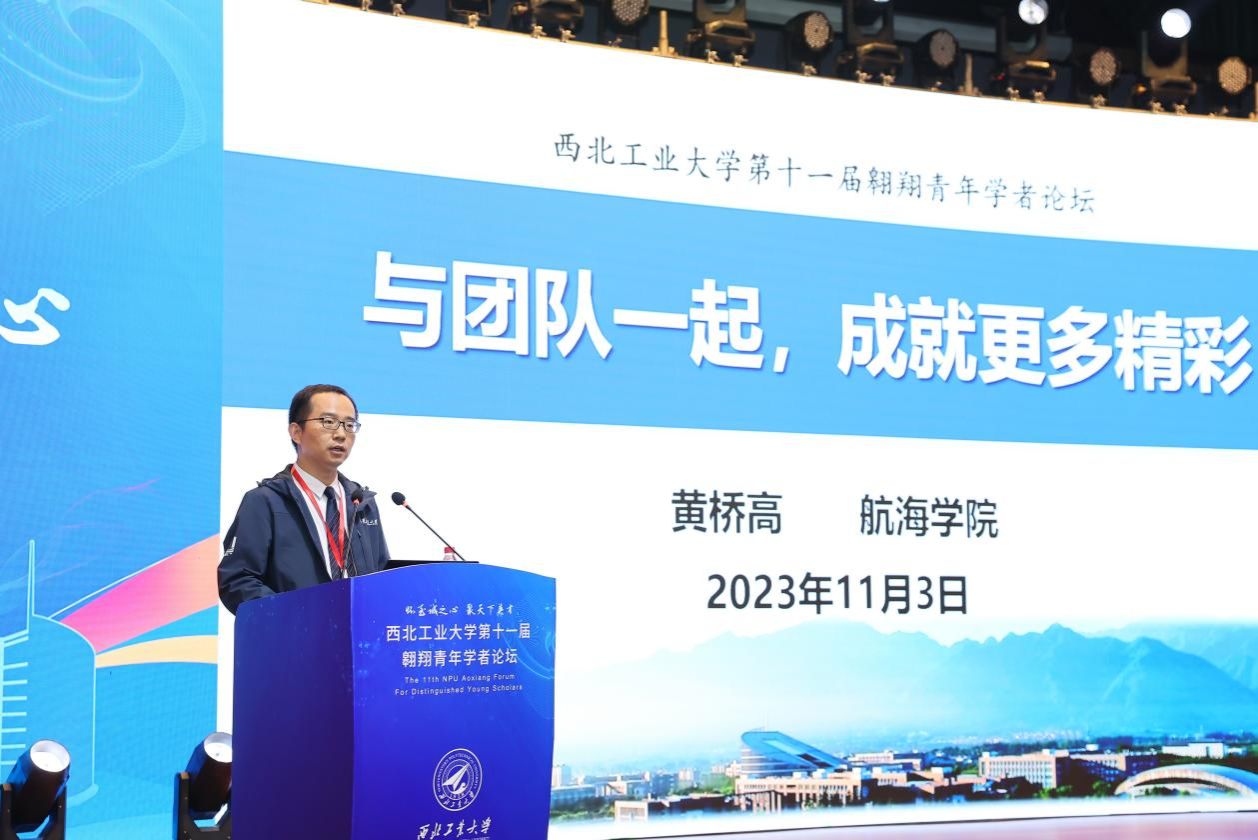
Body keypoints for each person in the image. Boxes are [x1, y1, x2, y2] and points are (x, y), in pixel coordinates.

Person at [218, 384, 390, 614]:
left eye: (349, 425)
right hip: (294, 633)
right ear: (296, 432)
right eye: (328, 422)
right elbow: (237, 580)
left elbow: (382, 578)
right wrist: (294, 615)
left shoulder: (361, 503)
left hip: (358, 634)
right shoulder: (266, 501)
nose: (341, 434)